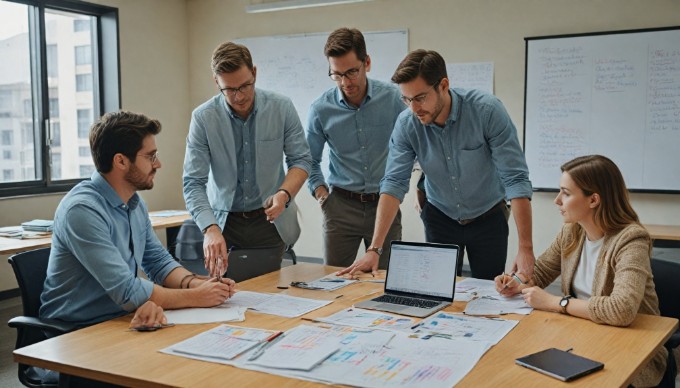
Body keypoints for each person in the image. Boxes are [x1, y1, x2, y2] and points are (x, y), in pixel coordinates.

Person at [339, 49, 534, 280]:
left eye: (420, 98)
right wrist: (375, 249)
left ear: (443, 85)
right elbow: (393, 182)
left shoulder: (487, 112)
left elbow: (515, 179)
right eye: (407, 99)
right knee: (438, 290)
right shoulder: (407, 124)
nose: (413, 109)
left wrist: (525, 248)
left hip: (488, 215)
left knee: (490, 291)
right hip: (440, 215)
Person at [40, 111, 236, 329]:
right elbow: (127, 291)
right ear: (121, 161)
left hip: (119, 318)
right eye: (150, 156)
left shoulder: (134, 203)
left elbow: (157, 261)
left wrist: (197, 283)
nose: (158, 163)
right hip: (75, 330)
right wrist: (197, 297)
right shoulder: (81, 211)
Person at [495, 154, 677, 387]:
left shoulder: (631, 240)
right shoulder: (572, 231)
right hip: (583, 336)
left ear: (593, 200)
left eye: (566, 193)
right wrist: (515, 281)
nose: (557, 201)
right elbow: (538, 273)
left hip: (631, 349)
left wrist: (556, 303)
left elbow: (622, 310)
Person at [183, 42, 311, 277]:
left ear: (254, 72)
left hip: (270, 220)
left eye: (245, 86)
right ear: (217, 82)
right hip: (223, 223)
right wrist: (209, 228)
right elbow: (193, 182)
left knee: (270, 294)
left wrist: (283, 194)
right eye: (229, 89)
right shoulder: (203, 118)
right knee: (224, 298)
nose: (239, 96)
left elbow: (301, 160)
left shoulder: (281, 107)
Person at [306, 27, 405, 269]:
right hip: (340, 207)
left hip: (384, 204)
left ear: (367, 63)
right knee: (334, 281)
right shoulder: (321, 109)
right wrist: (322, 197)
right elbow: (308, 159)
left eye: (351, 72)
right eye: (336, 74)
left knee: (387, 281)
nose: (345, 82)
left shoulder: (393, 99)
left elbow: (415, 146)